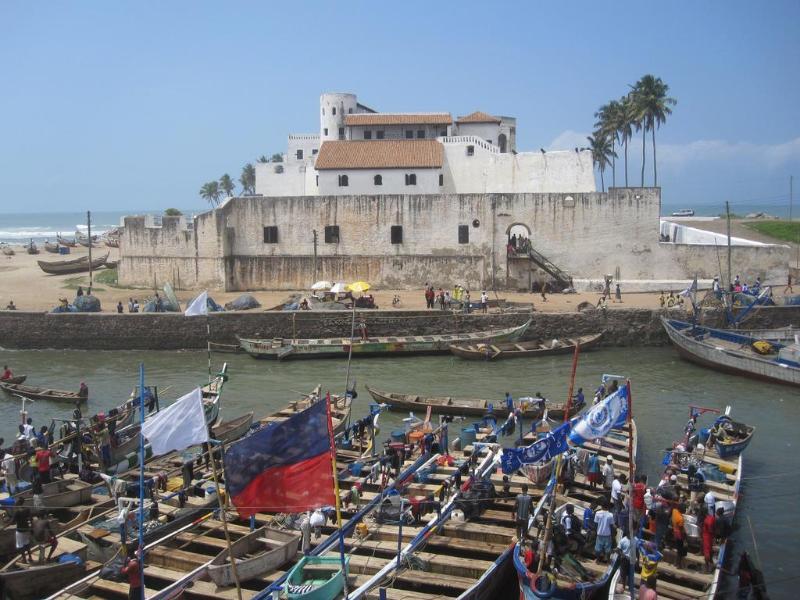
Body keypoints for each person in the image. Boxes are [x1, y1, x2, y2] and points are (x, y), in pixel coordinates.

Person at [13, 497, 33, 564]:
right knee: (27, 543)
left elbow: (12, 521)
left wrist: (3, 527)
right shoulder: (27, 509)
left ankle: (24, 560)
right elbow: (31, 519)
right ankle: (30, 557)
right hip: (26, 529)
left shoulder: (17, 511)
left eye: (16, 501)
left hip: (20, 530)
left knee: (20, 546)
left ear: (18, 502)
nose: (15, 502)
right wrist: (31, 528)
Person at [671, 503, 687, 568]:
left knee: (678, 549)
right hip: (679, 535)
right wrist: (685, 539)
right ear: (681, 509)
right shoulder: (681, 519)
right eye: (684, 509)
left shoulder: (674, 511)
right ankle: (678, 564)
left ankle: (676, 563)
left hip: (674, 531)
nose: (685, 510)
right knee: (680, 550)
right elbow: (681, 529)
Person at [702, 507, 716, 573]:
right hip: (709, 536)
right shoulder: (712, 518)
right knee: (709, 550)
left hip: (707, 537)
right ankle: (711, 563)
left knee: (706, 551)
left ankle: (707, 566)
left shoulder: (707, 520)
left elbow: (710, 529)